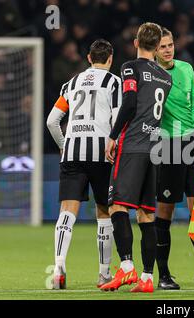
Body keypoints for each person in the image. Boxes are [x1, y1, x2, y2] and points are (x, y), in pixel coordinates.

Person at [100, 22, 172, 293]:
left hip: (132, 146)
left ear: (136, 42)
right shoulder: (166, 77)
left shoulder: (130, 67)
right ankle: (147, 278)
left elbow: (130, 102)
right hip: (154, 149)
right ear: (157, 46)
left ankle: (127, 267)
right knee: (146, 215)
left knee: (117, 207)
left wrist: (113, 135)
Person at [46, 39, 121, 289]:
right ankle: (104, 274)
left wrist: (63, 144)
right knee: (104, 213)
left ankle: (58, 268)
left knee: (67, 211)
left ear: (89, 58)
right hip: (102, 154)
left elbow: (52, 121)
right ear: (110, 59)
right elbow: (117, 118)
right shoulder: (114, 82)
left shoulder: (71, 83)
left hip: (73, 153)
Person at [154, 27, 194, 290]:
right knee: (165, 210)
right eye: (163, 46)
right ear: (154, 50)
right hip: (167, 146)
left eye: (170, 45)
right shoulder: (151, 74)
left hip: (191, 143)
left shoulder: (186, 69)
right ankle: (164, 274)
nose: (168, 50)